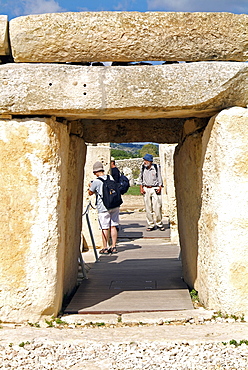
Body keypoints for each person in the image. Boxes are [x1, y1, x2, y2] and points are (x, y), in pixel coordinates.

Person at [88, 161, 120, 254]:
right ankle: (114, 246)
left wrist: (90, 186)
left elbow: (90, 192)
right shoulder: (110, 177)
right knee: (113, 225)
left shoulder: (97, 181)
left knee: (104, 227)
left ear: (95, 172)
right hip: (114, 205)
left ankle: (105, 247)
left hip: (103, 207)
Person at [138, 153, 165, 231]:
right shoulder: (143, 168)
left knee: (157, 207)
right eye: (144, 160)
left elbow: (160, 178)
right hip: (146, 188)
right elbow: (140, 179)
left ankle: (159, 223)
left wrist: (160, 187)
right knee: (148, 208)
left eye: (146, 160)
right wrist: (141, 188)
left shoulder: (156, 168)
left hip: (154, 188)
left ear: (150, 161)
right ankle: (151, 224)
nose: (145, 162)